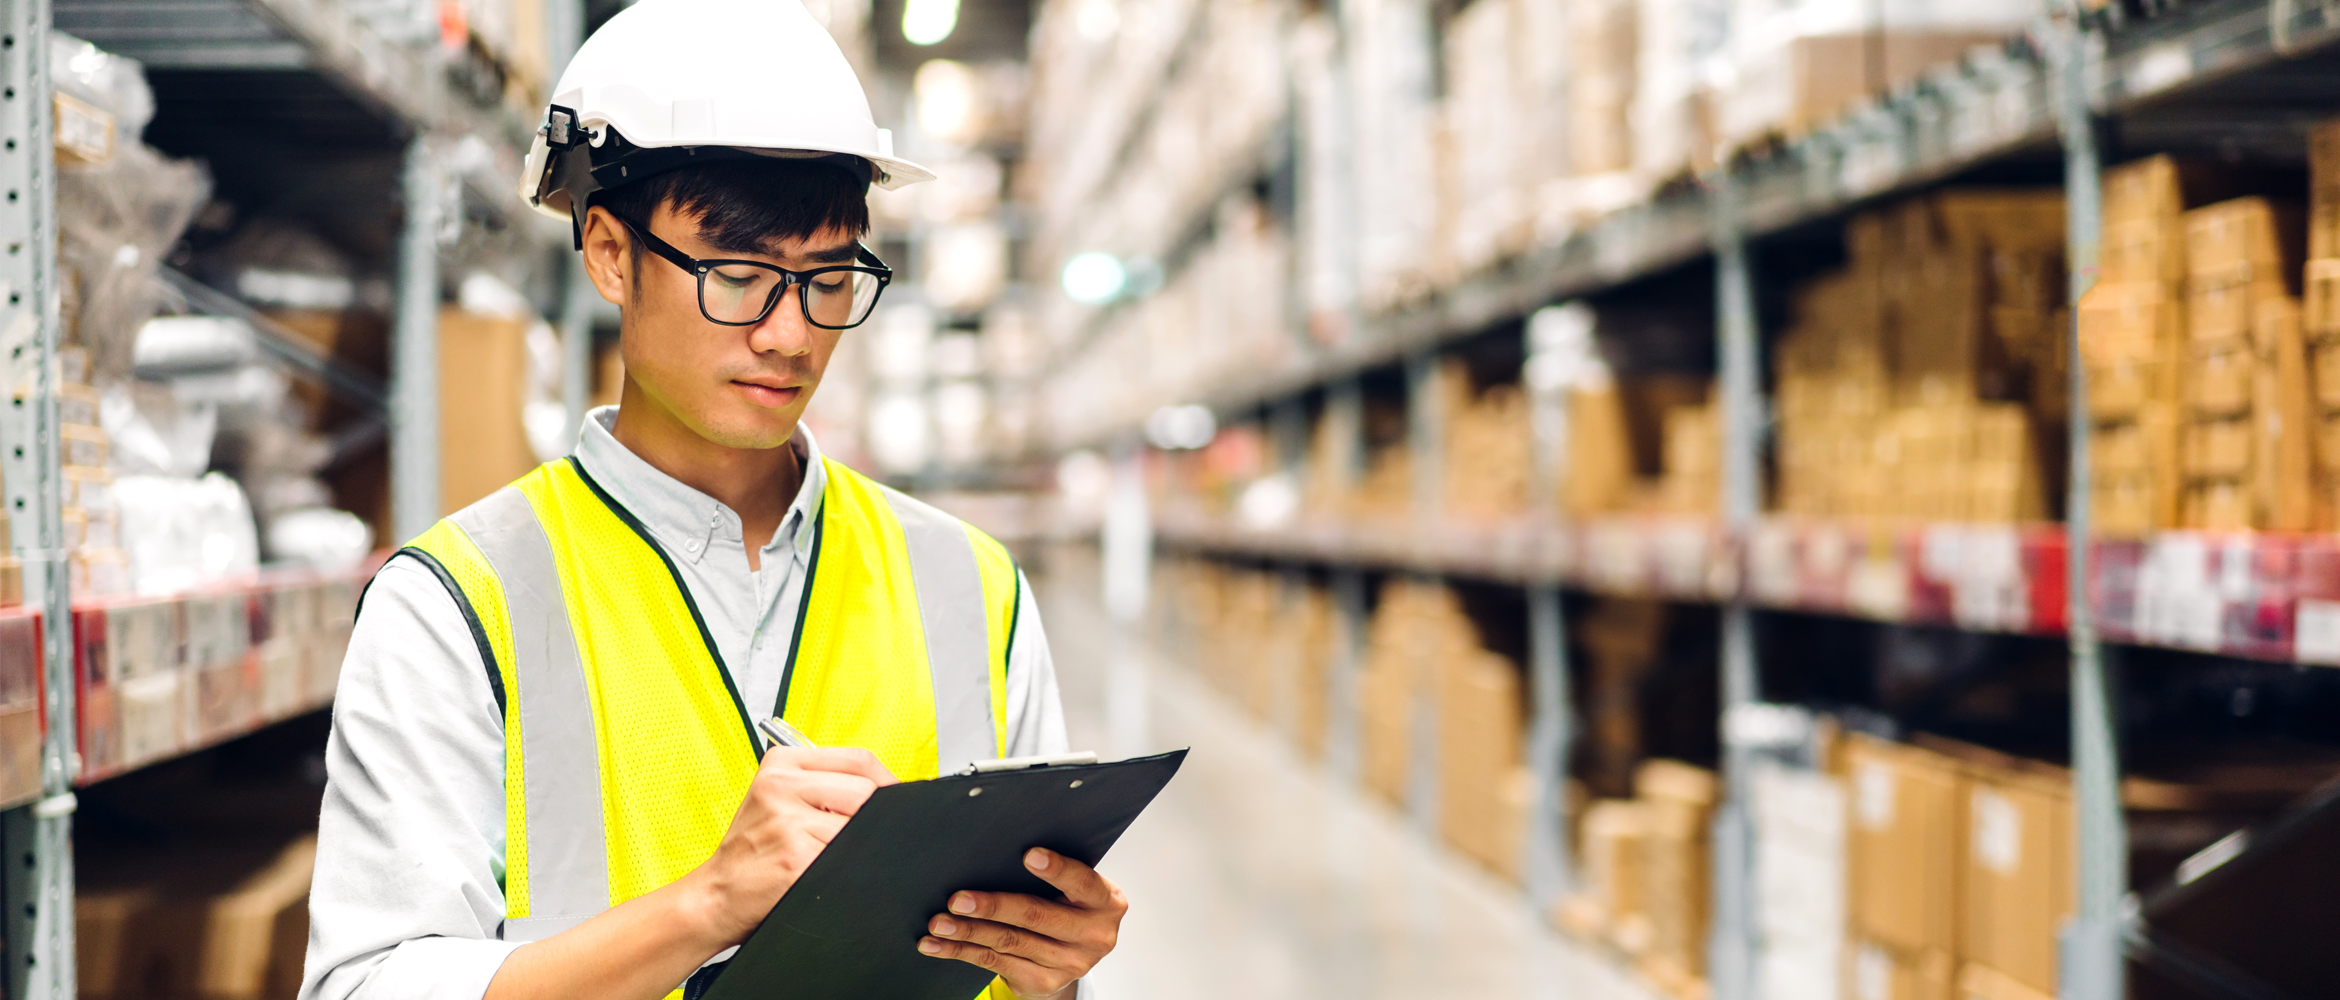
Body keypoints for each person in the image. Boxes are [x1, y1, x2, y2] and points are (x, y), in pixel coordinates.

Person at [299, 2, 1127, 997]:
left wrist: (1056, 967)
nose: (789, 333)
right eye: (738, 276)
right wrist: (707, 905)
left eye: (828, 278)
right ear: (610, 252)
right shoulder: (456, 604)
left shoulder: (970, 586)